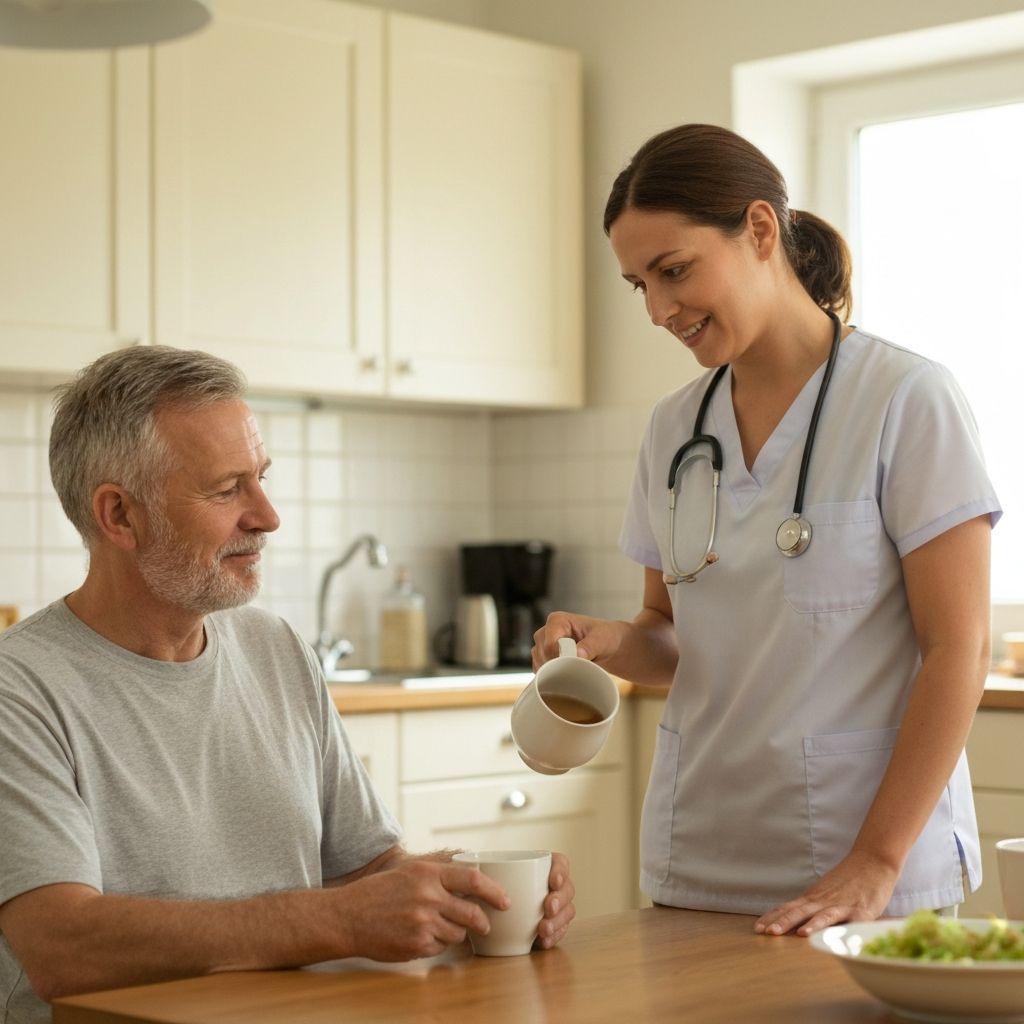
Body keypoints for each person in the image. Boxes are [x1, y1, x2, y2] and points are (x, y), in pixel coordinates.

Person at [0, 346, 576, 1023]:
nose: (268, 516)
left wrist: (476, 887)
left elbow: (366, 870)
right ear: (119, 516)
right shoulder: (22, 688)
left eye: (261, 479)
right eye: (226, 489)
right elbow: (61, 945)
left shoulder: (275, 648)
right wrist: (330, 921)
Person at [533, 123, 1000, 937]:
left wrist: (876, 862)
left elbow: (956, 651)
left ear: (757, 230)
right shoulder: (675, 428)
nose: (658, 309)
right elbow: (670, 637)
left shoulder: (905, 399)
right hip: (703, 857)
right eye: (638, 284)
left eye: (674, 271)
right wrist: (608, 642)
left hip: (866, 871)